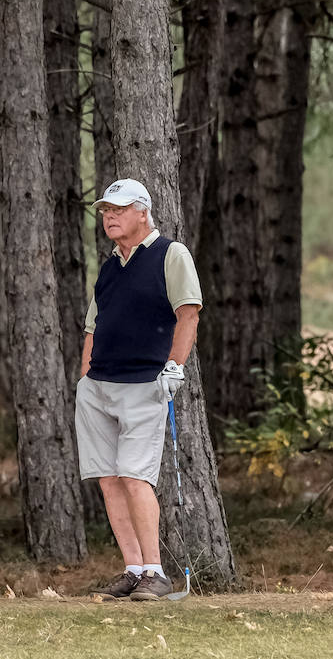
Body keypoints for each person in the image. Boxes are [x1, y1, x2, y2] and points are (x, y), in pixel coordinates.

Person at [77, 178, 201, 601]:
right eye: (106, 211)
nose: (109, 216)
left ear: (142, 212)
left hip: (144, 384)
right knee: (108, 479)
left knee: (134, 476)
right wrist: (83, 378)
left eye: (118, 209)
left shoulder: (171, 254)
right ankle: (132, 570)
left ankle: (156, 572)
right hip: (98, 386)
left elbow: (189, 314)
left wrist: (175, 368)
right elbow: (94, 325)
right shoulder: (111, 265)